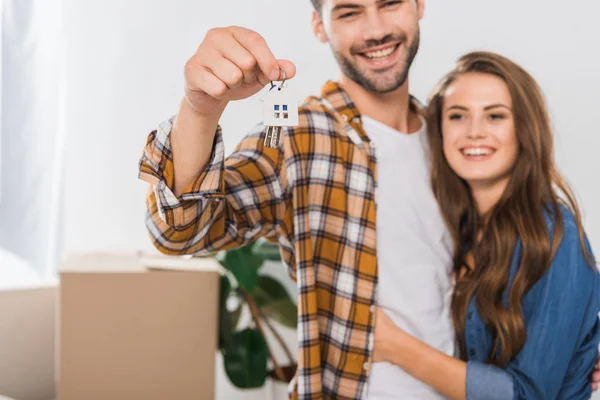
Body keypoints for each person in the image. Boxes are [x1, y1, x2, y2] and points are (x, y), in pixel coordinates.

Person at [137, 1, 600, 398]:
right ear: (320, 25)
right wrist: (200, 108)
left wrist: (577, 350)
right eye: (351, 10)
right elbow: (179, 231)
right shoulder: (300, 138)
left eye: (390, 2)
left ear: (419, 5)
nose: (376, 29)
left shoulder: (452, 140)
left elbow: (519, 286)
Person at [371, 51, 600, 399]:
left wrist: (395, 346)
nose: (474, 132)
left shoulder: (554, 236)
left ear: (524, 128)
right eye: (457, 116)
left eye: (495, 116)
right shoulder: (453, 228)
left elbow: (528, 395)